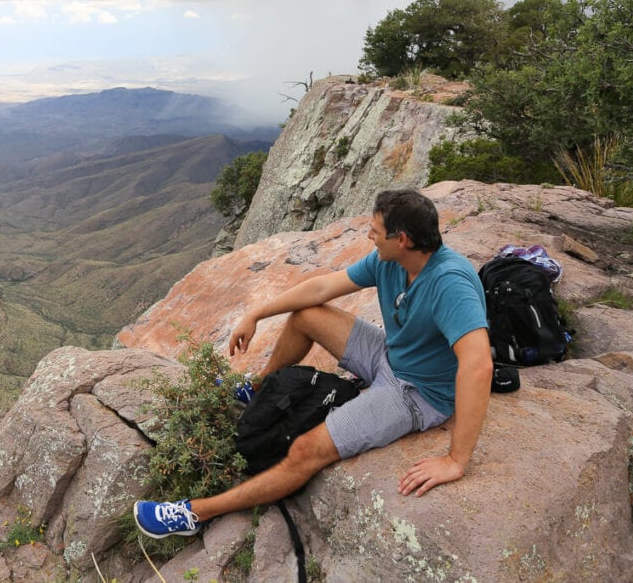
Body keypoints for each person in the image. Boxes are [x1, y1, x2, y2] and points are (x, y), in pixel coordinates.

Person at [134, 189, 492, 538]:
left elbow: (477, 366)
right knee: (305, 315)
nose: (369, 236)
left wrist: (456, 460)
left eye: (376, 231)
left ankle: (194, 513)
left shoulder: (450, 283)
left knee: (306, 449)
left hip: (416, 392)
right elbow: (322, 289)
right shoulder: (392, 263)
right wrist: (257, 312)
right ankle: (257, 387)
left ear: (403, 240)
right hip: (390, 354)